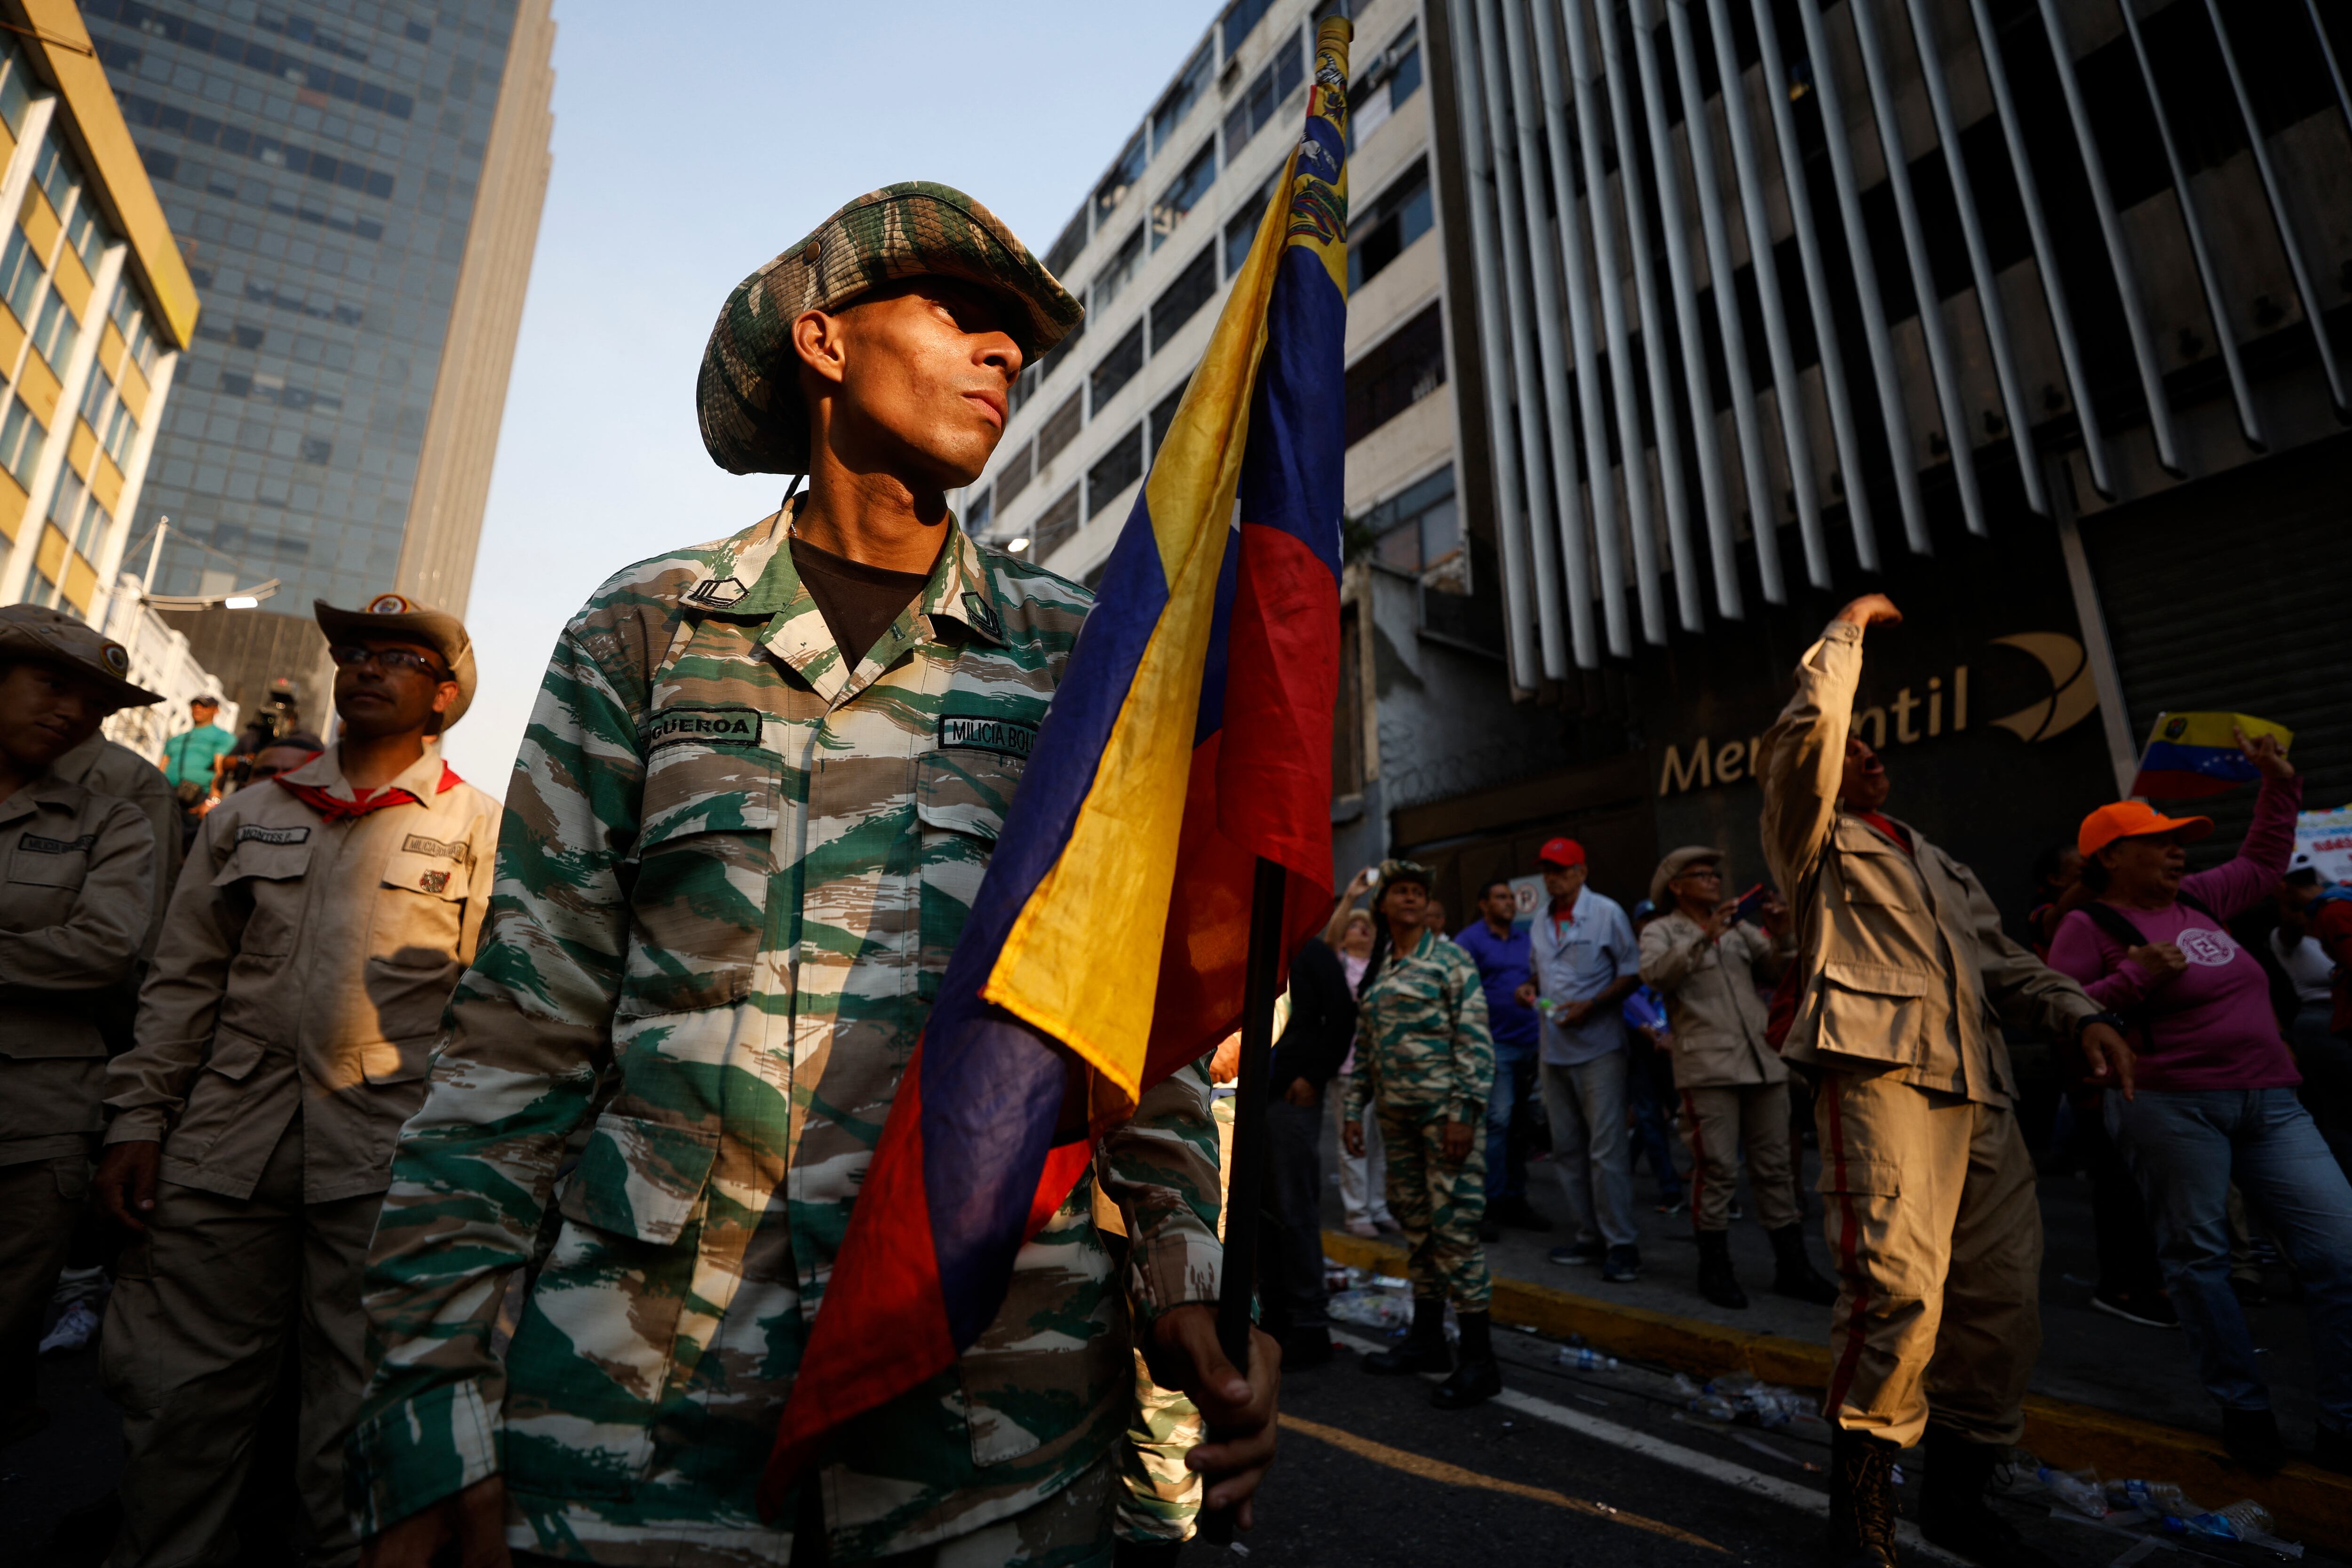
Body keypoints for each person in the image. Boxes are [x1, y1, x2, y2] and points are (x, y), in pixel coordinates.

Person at [345, 185, 1274, 1567]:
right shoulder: (646, 633)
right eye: (959, 312)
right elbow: (520, 1037)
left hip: (990, 1398)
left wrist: (1187, 1276)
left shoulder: (1077, 657)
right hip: (645, 1401)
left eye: (1016, 337)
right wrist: (426, 1386)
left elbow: (1128, 1021)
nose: (1003, 351)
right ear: (824, 341)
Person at [92, 593, 500, 1568]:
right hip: (224, 1148)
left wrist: (475, 1169)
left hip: (387, 1161)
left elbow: (499, 1018)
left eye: (399, 656)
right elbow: (182, 982)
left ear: (445, 695)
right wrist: (137, 1119)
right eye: (354, 650)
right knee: (179, 1399)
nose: (367, 666)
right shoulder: (248, 816)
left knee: (356, 1413)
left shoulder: (484, 831)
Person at [1758, 594, 2126, 1568]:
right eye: (1853, 746)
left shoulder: (1936, 859)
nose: (1867, 754)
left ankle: (1957, 1498)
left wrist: (2081, 1012)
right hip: (1883, 1077)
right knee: (1895, 1294)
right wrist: (1843, 636)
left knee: (2002, 1304)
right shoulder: (1812, 840)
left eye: (1875, 747)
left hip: (1984, 1092)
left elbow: (2005, 961)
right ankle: (1862, 1520)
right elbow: (1807, 737)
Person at [2049, 739, 2352, 1476]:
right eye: (2159, 843)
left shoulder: (2199, 900)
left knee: (2340, 1254)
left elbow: (2264, 859)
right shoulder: (2089, 927)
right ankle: (2244, 1408)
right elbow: (2059, 1010)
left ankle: (2343, 1422)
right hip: (2171, 1108)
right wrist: (2134, 979)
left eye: (2180, 841)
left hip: (2273, 1102)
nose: (2178, 852)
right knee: (2200, 1261)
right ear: (2111, 857)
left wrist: (2280, 783)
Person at [0, 607, 162, 1447]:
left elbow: (105, 948)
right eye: (53, 685)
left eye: (95, 704)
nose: (74, 712)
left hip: (35, 1118)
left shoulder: (112, 819)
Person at [1638, 847, 1837, 1312]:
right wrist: (1703, 938)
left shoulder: (1738, 928)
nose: (1713, 880)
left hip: (1761, 1063)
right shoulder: (1661, 930)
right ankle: (1715, 1268)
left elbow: (1780, 971)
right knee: (1716, 1170)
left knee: (1775, 1168)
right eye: (1701, 874)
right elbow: (1656, 974)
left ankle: (1793, 1267)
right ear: (1676, 886)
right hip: (1708, 1069)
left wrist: (1782, 934)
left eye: (1715, 874)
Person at [1343, 859, 1500, 1407]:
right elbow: (1366, 1048)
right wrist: (1352, 1110)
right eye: (1400, 891)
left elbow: (1474, 1041)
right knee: (1418, 1231)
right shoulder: (1381, 967)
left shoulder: (1450, 961)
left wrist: (1463, 1113)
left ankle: (1480, 1361)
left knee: (1454, 1234)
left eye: (1418, 892)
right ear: (1383, 905)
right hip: (1397, 1124)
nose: (1411, 899)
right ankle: (1428, 1341)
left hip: (1444, 1121)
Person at [1514, 837, 1643, 1283]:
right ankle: (1589, 1234)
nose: (1553, 878)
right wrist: (1530, 988)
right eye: (1547, 870)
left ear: (1582, 872)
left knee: (1606, 1149)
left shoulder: (1606, 912)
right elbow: (1541, 971)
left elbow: (1632, 972)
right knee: (1567, 1148)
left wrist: (1594, 1004)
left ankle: (1622, 1243)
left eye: (1561, 869)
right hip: (1554, 1050)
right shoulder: (1540, 921)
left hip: (1599, 1048)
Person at [1263, 932, 1356, 1366]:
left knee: (1294, 1208)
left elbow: (1341, 1018)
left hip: (1291, 1101)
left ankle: (1310, 1324)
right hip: (1247, 1101)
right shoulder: (1249, 946)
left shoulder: (1311, 951)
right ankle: (1274, 1317)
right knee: (1260, 1213)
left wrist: (1313, 1077)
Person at [1454, 878, 1549, 1234]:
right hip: (1494, 1045)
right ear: (1483, 904)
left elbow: (1540, 980)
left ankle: (1515, 1198)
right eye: (1500, 897)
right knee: (1498, 1121)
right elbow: (1459, 988)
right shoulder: (1470, 940)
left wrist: (1534, 989)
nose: (1509, 902)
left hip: (1532, 1042)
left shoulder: (1527, 939)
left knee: (1523, 1127)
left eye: (1511, 897)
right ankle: (1489, 1202)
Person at [1324, 889, 1397, 1238]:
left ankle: (1378, 1207)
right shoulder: (1338, 964)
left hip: (1384, 1067)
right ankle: (1357, 1212)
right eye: (1354, 925)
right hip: (1350, 1067)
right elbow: (1331, 938)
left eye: (1366, 925)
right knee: (1353, 1138)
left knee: (1380, 1141)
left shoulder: (1385, 962)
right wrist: (1351, 898)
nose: (1361, 929)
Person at [1620, 905, 1689, 1216]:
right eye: (1646, 921)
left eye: (1657, 920)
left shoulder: (1678, 951)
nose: (1652, 926)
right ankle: (1670, 1187)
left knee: (1682, 1114)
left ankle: (1715, 1189)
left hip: (1675, 1048)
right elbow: (1620, 997)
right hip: (1641, 1051)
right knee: (1649, 1117)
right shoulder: (1627, 957)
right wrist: (1642, 1028)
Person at [157, 694, 231, 838]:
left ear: (215, 710)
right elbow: (161, 768)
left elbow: (220, 771)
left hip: (198, 799)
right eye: (194, 705)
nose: (198, 708)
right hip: (168, 796)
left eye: (204, 706)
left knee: (187, 841)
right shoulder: (177, 739)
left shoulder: (222, 737)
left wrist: (212, 802)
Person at [216, 676, 301, 795]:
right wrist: (245, 760)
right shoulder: (252, 737)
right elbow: (225, 763)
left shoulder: (296, 744)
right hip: (245, 793)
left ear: (292, 721)